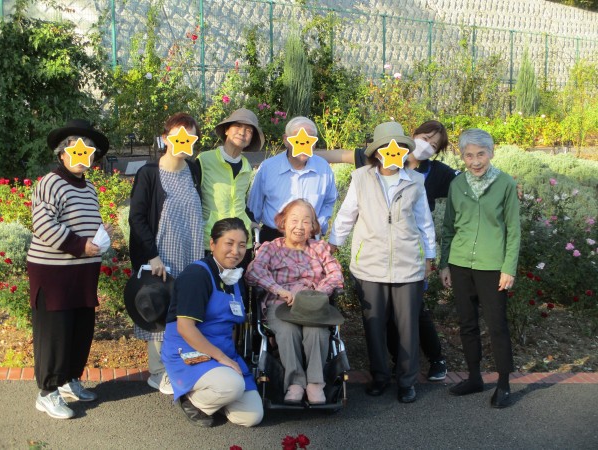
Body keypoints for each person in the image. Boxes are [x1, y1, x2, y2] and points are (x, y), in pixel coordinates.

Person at [317, 120, 457, 381]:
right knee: (374, 325)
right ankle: (380, 377)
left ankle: (407, 381)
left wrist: (430, 256)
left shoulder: (415, 180)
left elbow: (425, 222)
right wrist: (333, 244)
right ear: (377, 151)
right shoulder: (361, 178)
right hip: (370, 264)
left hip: (407, 264)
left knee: (407, 326)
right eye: (387, 148)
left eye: (398, 148)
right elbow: (347, 214)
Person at [28, 119, 113, 419]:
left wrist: (102, 236)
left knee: (79, 331)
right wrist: (81, 246)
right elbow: (42, 224)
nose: (82, 155)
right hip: (54, 273)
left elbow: (86, 225)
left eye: (87, 150)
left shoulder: (89, 187)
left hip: (83, 274)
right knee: (55, 334)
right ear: (62, 153)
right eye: (76, 149)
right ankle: (47, 392)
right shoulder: (50, 182)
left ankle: (68, 381)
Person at [439, 128, 520, 409]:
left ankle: (504, 384)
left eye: (481, 154)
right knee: (467, 323)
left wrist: (509, 268)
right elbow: (448, 227)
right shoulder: (457, 184)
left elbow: (513, 230)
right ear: (462, 156)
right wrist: (445, 264)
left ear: (491, 153)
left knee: (497, 326)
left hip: (492, 266)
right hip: (460, 263)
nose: (475, 161)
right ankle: (474, 377)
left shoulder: (505, 183)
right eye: (469, 155)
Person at [128, 112, 204, 396]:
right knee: (160, 306)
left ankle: (177, 365)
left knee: (184, 310)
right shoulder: (149, 173)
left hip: (190, 250)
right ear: (166, 138)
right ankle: (159, 371)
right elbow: (137, 218)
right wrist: (152, 256)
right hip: (161, 254)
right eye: (178, 136)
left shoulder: (193, 170)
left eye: (190, 137)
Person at [162, 218, 263, 427]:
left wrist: (227, 357)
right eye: (229, 243)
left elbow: (231, 324)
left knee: (251, 417)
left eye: (241, 245)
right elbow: (185, 328)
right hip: (188, 350)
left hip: (223, 352)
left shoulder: (235, 278)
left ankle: (218, 392)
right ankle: (192, 399)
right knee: (232, 386)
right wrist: (221, 358)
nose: (236, 251)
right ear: (212, 244)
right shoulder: (197, 275)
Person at [245, 199, 344, 404]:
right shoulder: (271, 248)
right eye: (294, 220)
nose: (300, 226)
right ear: (283, 222)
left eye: (306, 221)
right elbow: (253, 271)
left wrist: (317, 294)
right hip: (279, 304)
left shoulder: (319, 248)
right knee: (288, 330)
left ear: (313, 226)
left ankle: (315, 383)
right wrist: (278, 289)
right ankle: (295, 383)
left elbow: (336, 275)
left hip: (312, 306)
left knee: (316, 330)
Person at [247, 116, 337, 242]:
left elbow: (329, 201)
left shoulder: (323, 168)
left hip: (308, 238)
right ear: (286, 140)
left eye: (310, 138)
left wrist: (319, 224)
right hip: (273, 237)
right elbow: (254, 206)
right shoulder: (268, 168)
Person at [197, 108, 264, 269]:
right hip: (213, 239)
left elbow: (240, 201)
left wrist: (252, 222)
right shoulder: (204, 160)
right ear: (227, 130)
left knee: (239, 283)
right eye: (238, 126)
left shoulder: (246, 166)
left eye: (249, 130)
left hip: (242, 242)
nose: (242, 132)